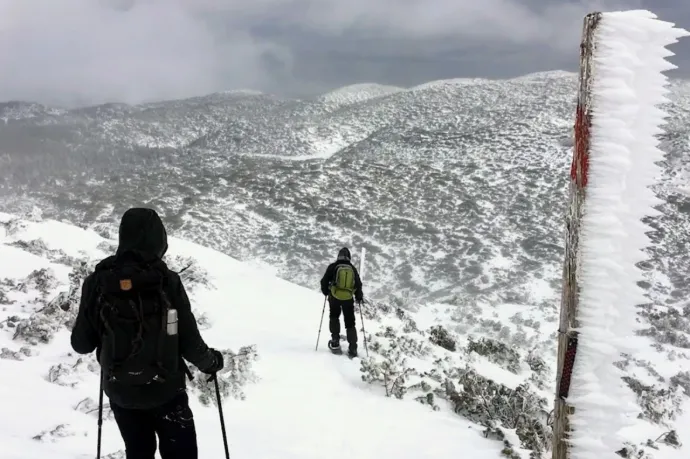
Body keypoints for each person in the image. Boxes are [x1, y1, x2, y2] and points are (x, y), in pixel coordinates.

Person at [70, 208, 224, 459]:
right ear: (159, 240)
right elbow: (188, 340)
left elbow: (81, 345)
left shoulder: (97, 282)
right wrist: (211, 363)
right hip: (167, 392)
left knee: (138, 452)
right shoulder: (167, 281)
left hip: (122, 393)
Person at [320, 247, 364, 357]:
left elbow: (324, 281)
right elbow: (358, 284)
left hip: (334, 297)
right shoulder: (352, 268)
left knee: (334, 317)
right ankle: (353, 348)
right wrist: (358, 296)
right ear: (349, 257)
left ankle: (335, 342)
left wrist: (326, 292)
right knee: (350, 322)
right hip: (348, 299)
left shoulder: (333, 266)